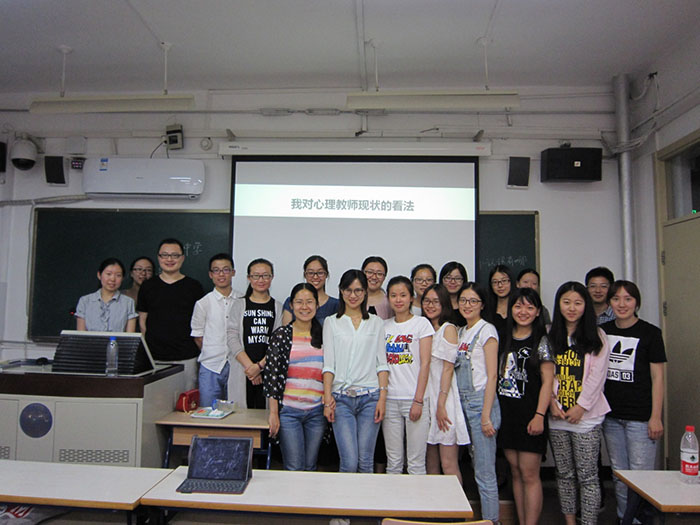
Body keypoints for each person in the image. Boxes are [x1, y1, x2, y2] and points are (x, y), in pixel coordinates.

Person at [601, 280, 666, 524]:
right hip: (611, 416)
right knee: (619, 474)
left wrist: (655, 416)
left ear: (636, 302)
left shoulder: (651, 333)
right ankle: (624, 519)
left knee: (641, 477)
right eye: (616, 299)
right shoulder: (603, 331)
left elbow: (658, 378)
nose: (622, 304)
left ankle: (641, 521)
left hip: (641, 417)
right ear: (609, 303)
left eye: (628, 299)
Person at [547, 281, 611, 525]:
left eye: (577, 303)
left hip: (587, 417)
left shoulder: (598, 336)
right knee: (564, 474)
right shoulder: (549, 334)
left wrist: (581, 406)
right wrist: (552, 403)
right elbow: (545, 373)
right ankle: (570, 521)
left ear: (586, 306)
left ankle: (589, 522)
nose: (571, 308)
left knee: (588, 476)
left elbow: (597, 377)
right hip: (557, 416)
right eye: (566, 302)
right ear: (558, 305)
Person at [497, 287, 555, 525]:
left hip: (531, 414)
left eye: (530, 307)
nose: (523, 312)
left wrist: (540, 415)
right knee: (516, 472)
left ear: (538, 311)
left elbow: (548, 382)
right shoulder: (504, 337)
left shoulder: (542, 340)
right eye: (518, 306)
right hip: (507, 415)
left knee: (530, 474)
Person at [322, 269, 389, 473]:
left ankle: (365, 496)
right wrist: (327, 399)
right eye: (348, 290)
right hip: (341, 399)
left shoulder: (376, 322)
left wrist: (382, 399)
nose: (353, 295)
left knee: (366, 461)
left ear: (365, 292)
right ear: (341, 291)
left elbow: (382, 363)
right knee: (349, 462)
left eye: (358, 290)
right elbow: (329, 365)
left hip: (370, 398)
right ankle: (345, 496)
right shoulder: (331, 322)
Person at [264, 283, 326, 471]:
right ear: (291, 305)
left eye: (309, 302)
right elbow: (272, 377)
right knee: (294, 467)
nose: (304, 307)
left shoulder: (325, 335)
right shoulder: (282, 335)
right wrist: (273, 413)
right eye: (299, 302)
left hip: (316, 411)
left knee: (310, 466)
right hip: (289, 412)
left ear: (317, 305)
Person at [455, 282, 500, 524]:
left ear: (482, 304)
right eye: (463, 300)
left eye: (473, 301)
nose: (467, 305)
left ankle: (491, 521)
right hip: (461, 403)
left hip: (481, 403)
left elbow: (492, 376)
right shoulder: (462, 331)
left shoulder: (486, 330)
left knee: (484, 472)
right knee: (469, 466)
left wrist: (486, 416)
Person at [383, 276, 434, 475]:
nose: (398, 300)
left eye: (403, 295)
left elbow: (426, 364)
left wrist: (418, 400)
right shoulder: (384, 326)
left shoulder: (422, 324)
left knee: (416, 463)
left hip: (415, 399)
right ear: (388, 298)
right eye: (393, 295)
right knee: (393, 463)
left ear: (411, 298)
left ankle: (417, 497)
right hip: (390, 400)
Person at [137, 239, 204, 390]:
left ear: (182, 258)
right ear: (158, 257)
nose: (169, 259)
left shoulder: (194, 287)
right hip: (155, 357)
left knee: (186, 400)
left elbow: (200, 323)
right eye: (165, 255)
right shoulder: (148, 286)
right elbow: (143, 321)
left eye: (175, 255)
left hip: (187, 356)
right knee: (156, 400)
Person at [422, 283, 469, 484]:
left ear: (444, 304)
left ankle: (458, 505)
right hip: (427, 398)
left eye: (435, 301)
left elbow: (448, 369)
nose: (430, 305)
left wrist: (441, 405)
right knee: (430, 464)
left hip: (444, 399)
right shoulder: (423, 328)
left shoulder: (448, 329)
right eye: (426, 301)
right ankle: (433, 504)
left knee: (448, 464)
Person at [230, 258, 283, 409]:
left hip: (267, 369)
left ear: (272, 277)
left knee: (264, 414)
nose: (261, 280)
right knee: (241, 415)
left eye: (265, 275)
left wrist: (259, 366)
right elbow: (232, 338)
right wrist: (251, 368)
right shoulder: (239, 305)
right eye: (256, 276)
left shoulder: (277, 307)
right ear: (249, 278)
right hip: (243, 369)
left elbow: (278, 342)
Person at [190, 253, 238, 409]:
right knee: (208, 412)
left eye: (226, 270)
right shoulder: (203, 303)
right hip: (210, 366)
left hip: (237, 366)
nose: (221, 274)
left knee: (237, 413)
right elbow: (198, 337)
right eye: (216, 270)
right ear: (210, 275)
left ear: (233, 272)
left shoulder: (243, 300)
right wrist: (213, 351)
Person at [75, 257, 137, 332]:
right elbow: (81, 334)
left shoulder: (128, 303)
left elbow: (130, 336)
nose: (112, 279)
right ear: (99, 275)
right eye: (108, 274)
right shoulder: (85, 301)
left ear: (122, 278)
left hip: (116, 340)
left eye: (118, 275)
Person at [281, 255, 339, 325]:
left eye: (320, 273)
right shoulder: (291, 301)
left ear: (326, 275)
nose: (315, 277)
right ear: (305, 275)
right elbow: (286, 329)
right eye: (311, 273)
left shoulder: (336, 304)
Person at [487, 264, 514, 338]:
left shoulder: (519, 306)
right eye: (495, 282)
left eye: (504, 281)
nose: (500, 285)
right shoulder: (486, 308)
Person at [438, 261, 468, 327]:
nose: (452, 282)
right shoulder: (435, 305)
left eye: (457, 278)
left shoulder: (468, 305)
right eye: (448, 278)